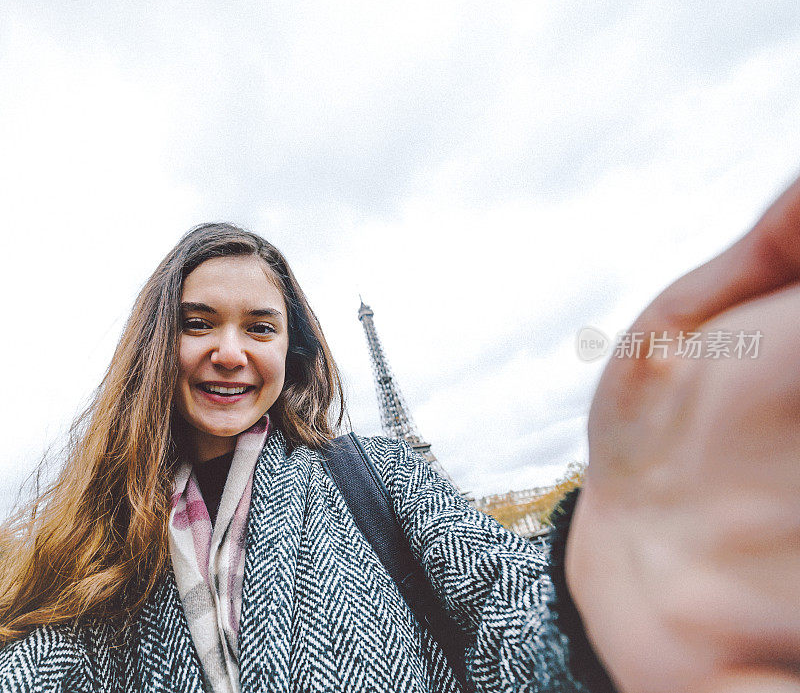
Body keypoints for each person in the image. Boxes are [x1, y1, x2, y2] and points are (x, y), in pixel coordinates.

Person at [0, 175, 798, 693]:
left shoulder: (376, 475)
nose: (231, 350)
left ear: (294, 352)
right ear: (154, 345)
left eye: (262, 327)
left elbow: (499, 599)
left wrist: (589, 616)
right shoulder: (108, 540)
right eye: (198, 322)